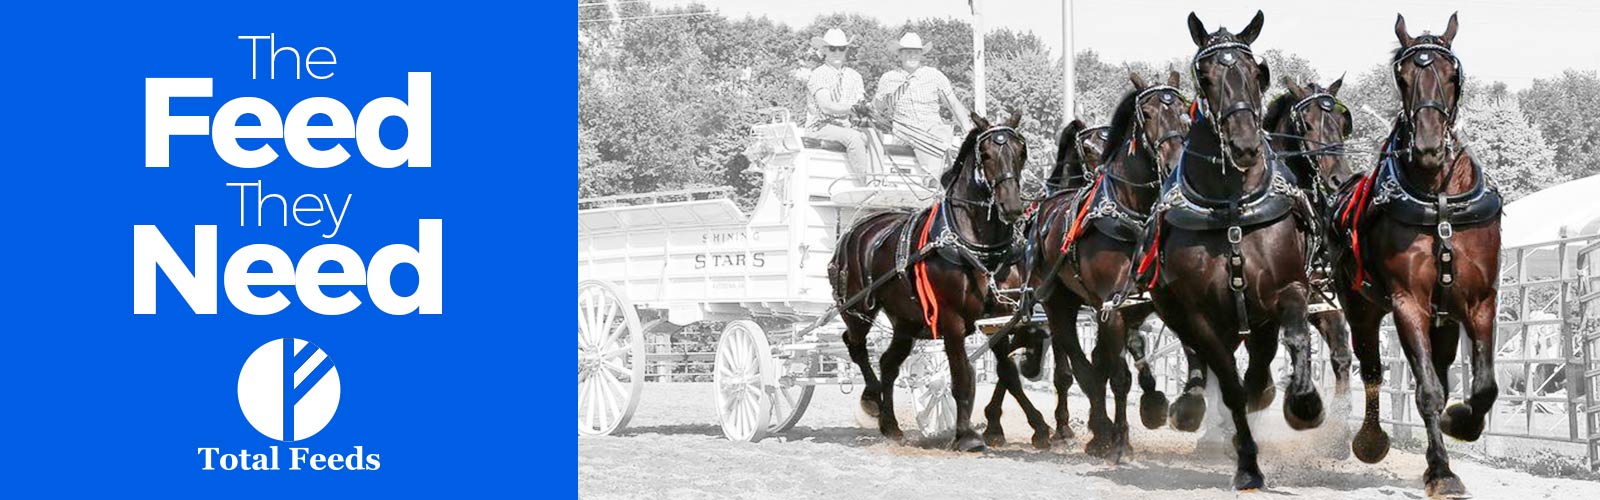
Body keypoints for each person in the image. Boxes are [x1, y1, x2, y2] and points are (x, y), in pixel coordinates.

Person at [872, 32, 973, 175]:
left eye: (916, 52)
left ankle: (939, 179)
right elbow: (876, 108)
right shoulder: (888, 79)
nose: (912, 56)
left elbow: (953, 104)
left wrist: (968, 130)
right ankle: (933, 182)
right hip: (905, 131)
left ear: (921, 55)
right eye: (908, 52)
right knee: (926, 138)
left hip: (933, 128)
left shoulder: (934, 76)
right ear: (900, 55)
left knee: (943, 133)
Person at [804, 28, 870, 176]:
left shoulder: (855, 76)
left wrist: (866, 109)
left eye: (841, 48)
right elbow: (827, 107)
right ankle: (867, 180)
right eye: (832, 48)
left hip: (846, 126)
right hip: (820, 126)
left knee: (874, 136)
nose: (837, 52)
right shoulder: (818, 74)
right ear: (824, 50)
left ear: (846, 50)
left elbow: (861, 102)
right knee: (853, 138)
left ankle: (883, 180)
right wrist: (852, 108)